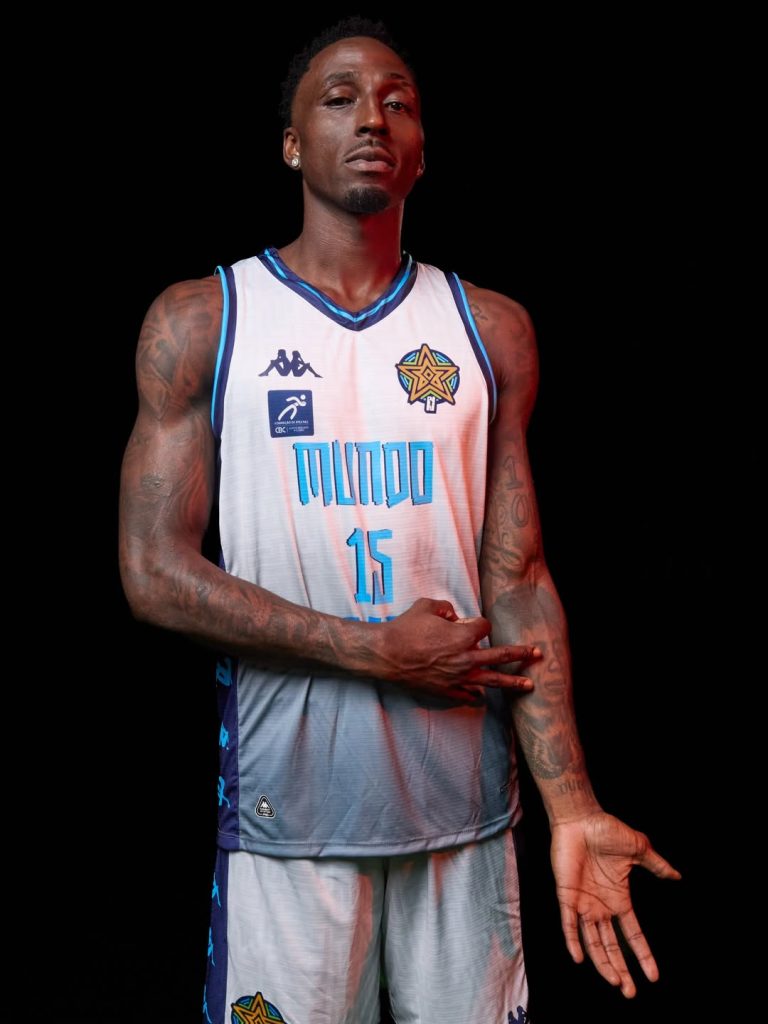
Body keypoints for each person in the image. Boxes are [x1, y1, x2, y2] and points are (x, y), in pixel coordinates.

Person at [118, 17, 680, 1024]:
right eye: (338, 99)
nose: (372, 117)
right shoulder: (205, 320)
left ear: (422, 150)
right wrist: (376, 649)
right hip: (291, 815)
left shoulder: (488, 330)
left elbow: (518, 580)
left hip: (466, 815)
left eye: (398, 102)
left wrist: (574, 805)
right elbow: (153, 571)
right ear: (291, 143)